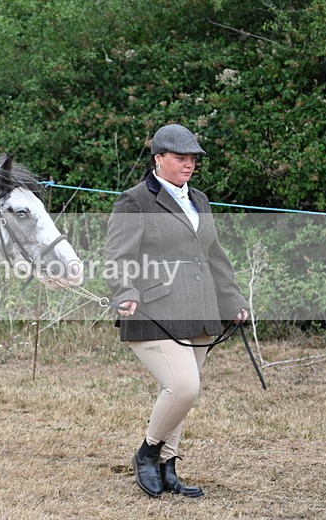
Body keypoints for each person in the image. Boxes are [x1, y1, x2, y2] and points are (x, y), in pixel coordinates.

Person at [104, 124, 249, 498]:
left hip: (198, 309)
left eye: (193, 159)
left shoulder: (198, 198)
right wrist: (125, 290)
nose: (189, 165)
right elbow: (118, 256)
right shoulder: (134, 201)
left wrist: (233, 301)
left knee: (180, 393)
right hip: (151, 310)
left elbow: (214, 255)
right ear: (159, 159)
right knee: (183, 387)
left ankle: (169, 465)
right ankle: (148, 452)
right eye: (181, 158)